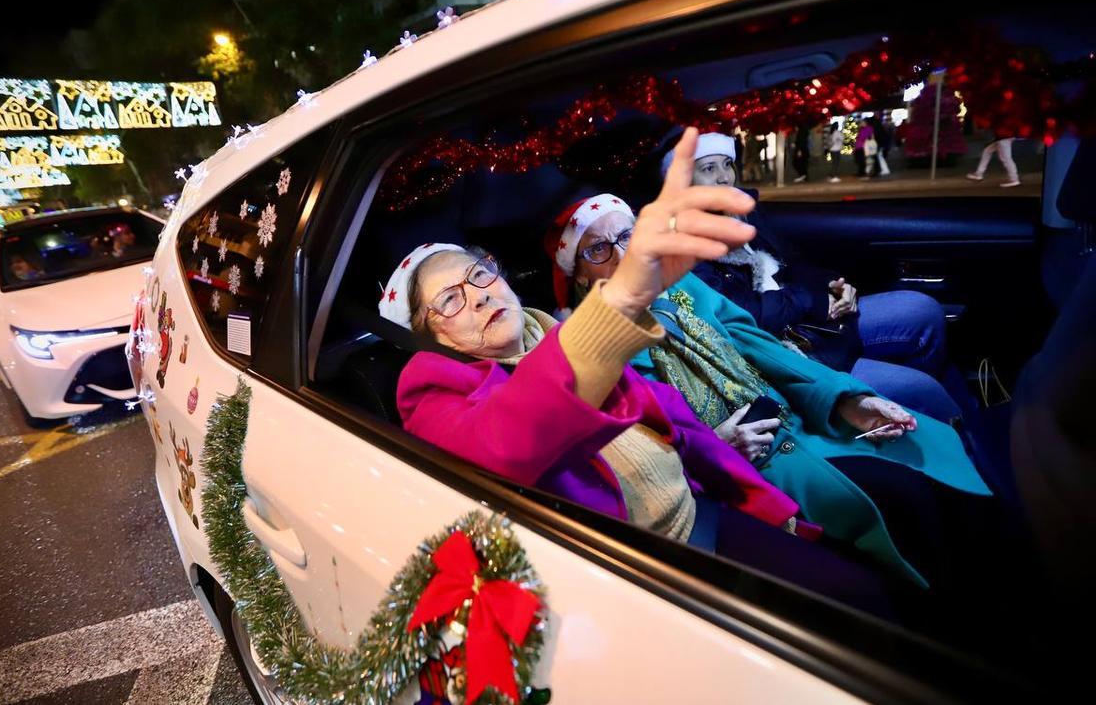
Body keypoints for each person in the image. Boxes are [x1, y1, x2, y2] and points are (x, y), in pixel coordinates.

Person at [386, 129, 900, 606]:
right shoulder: (431, 386)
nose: (476, 298)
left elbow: (681, 425)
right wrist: (625, 298)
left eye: (479, 275)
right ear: (429, 336)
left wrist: (769, 508)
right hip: (641, 571)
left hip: (710, 505)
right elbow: (507, 443)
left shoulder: (562, 336)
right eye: (449, 301)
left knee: (873, 568)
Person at [547, 193, 992, 585]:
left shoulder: (680, 284)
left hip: (798, 424)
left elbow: (761, 348)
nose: (623, 255)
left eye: (628, 236)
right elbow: (634, 453)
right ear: (581, 274)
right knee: (903, 498)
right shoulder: (593, 346)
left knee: (930, 457)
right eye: (600, 249)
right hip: (747, 472)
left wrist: (849, 400)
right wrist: (716, 450)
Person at [663, 132, 963, 423]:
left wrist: (835, 286)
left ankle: (928, 429)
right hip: (784, 352)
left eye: (727, 164)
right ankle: (947, 439)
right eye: (708, 169)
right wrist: (815, 299)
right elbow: (745, 317)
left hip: (809, 323)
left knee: (921, 310)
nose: (724, 177)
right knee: (923, 391)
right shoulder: (684, 244)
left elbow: (793, 262)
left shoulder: (742, 213)